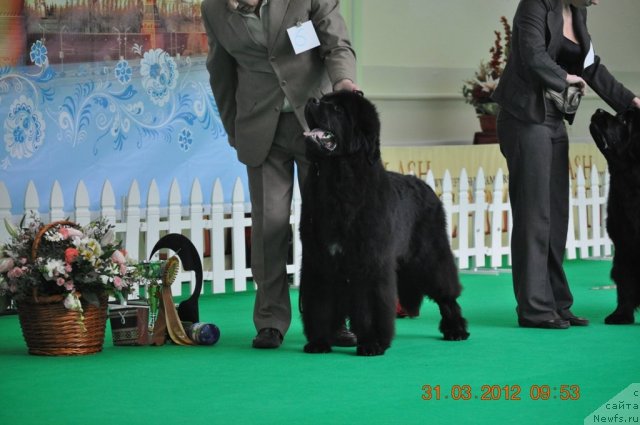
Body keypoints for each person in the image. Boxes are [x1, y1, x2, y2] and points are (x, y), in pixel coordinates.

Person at [201, 0, 359, 348]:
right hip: (261, 129)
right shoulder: (213, 9)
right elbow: (221, 72)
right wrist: (234, 129)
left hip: (318, 124)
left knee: (326, 225)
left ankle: (332, 318)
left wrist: (344, 83)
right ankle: (270, 320)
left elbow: (336, 43)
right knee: (269, 225)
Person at [492, 0, 640, 329]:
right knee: (535, 215)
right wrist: (565, 78)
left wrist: (631, 101)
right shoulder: (534, 5)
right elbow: (532, 56)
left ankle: (558, 303)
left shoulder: (578, 12)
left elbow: (591, 67)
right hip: (525, 117)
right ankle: (534, 308)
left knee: (556, 216)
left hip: (555, 118)